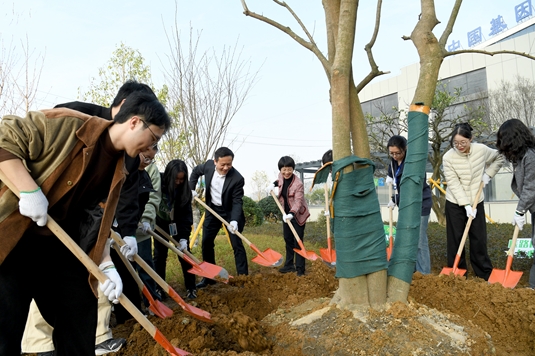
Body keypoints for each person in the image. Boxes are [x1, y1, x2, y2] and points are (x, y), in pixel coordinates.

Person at [0, 91, 170, 356]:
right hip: (13, 241)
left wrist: (107, 265)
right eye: (154, 138)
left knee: (80, 313)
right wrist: (28, 190)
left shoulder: (119, 172)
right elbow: (5, 137)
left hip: (57, 248)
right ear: (135, 122)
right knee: (5, 327)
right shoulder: (67, 124)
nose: (151, 148)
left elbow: (96, 225)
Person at [443, 122, 504, 281]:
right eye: (455, 143)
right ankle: (458, 274)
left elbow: (500, 156)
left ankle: (484, 274)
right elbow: (453, 183)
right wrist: (466, 205)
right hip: (455, 203)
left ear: (471, 139)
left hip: (477, 201)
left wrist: (489, 174)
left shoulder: (481, 150)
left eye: (463, 142)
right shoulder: (448, 157)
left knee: (478, 239)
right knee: (456, 240)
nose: (459, 146)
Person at [189, 147, 249, 288]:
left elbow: (237, 201)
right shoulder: (208, 166)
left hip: (229, 213)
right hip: (212, 210)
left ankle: (243, 279)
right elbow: (195, 172)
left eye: (229, 164)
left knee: (237, 245)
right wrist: (191, 189)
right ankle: (209, 278)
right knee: (207, 243)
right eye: (223, 164)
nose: (226, 167)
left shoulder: (237, 179)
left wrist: (234, 220)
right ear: (215, 161)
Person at [496, 118, 535, 288]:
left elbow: (530, 187)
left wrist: (520, 211)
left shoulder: (531, 156)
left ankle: (533, 287)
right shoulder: (521, 157)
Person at [385, 135, 432, 274]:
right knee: (408, 238)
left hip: (420, 204)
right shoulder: (394, 163)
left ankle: (424, 272)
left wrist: (396, 199)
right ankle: (412, 270)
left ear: (405, 149)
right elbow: (395, 177)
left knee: (419, 239)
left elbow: (410, 188)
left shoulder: (412, 163)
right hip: (406, 205)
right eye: (391, 153)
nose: (395, 156)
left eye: (398, 153)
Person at [154, 160, 198, 299]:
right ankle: (159, 288)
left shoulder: (185, 192)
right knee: (160, 256)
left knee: (185, 255)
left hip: (177, 225)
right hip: (159, 224)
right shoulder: (158, 181)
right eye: (176, 179)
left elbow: (186, 216)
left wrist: (184, 238)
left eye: (181, 179)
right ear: (168, 176)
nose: (178, 182)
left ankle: (191, 288)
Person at [271, 156, 310, 276]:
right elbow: (279, 182)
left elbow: (298, 201)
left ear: (293, 169)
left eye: (289, 169)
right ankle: (289, 265)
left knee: (298, 241)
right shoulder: (280, 176)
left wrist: (291, 214)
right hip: (285, 214)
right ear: (280, 170)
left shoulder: (298, 184)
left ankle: (300, 269)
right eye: (284, 169)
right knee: (288, 239)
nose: (286, 172)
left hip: (297, 216)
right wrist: (272, 184)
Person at [135, 145, 162, 305]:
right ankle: (130, 311)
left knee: (145, 267)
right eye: (145, 157)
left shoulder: (152, 171)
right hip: (120, 228)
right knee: (125, 271)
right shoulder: (123, 163)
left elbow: (153, 197)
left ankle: (152, 303)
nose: (147, 161)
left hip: (141, 229)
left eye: (151, 159)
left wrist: (146, 219)